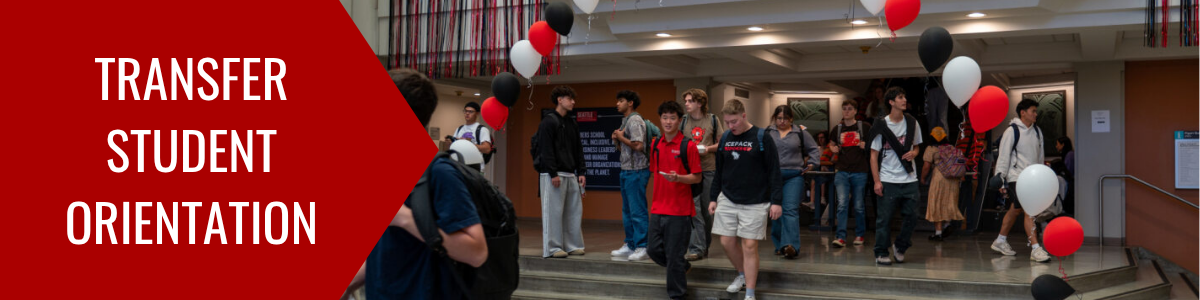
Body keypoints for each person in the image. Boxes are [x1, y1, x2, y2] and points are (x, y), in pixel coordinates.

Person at [342, 68, 488, 300]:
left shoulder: (439, 173)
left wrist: (406, 219)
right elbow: (390, 250)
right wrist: (351, 283)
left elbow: (477, 251)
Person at [709, 99, 783, 300]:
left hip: (756, 200)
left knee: (749, 246)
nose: (731, 126)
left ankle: (750, 293)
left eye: (734, 121)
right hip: (728, 197)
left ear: (743, 116)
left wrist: (776, 201)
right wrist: (713, 198)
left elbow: (774, 171)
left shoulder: (762, 137)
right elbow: (720, 171)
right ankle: (741, 274)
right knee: (726, 241)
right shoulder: (725, 138)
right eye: (727, 122)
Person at [646, 100, 703, 300]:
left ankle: (677, 295)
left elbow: (697, 177)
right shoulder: (655, 144)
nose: (668, 122)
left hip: (680, 211)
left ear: (680, 120)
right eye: (664, 117)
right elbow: (655, 172)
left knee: (674, 256)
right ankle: (682, 267)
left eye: (672, 118)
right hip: (658, 207)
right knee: (652, 249)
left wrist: (678, 178)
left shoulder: (689, 146)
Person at [867, 87, 923, 266]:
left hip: (909, 178)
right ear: (891, 102)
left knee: (913, 216)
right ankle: (881, 252)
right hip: (887, 179)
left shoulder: (912, 122)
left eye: (904, 96)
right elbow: (873, 155)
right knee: (884, 219)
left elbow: (917, 146)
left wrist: (914, 153)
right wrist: (876, 181)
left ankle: (900, 245)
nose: (904, 100)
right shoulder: (881, 125)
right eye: (900, 97)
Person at [991, 99, 1051, 263]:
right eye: (1033, 110)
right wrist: (1000, 177)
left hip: (1032, 178)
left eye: (1035, 111)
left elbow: (1040, 157)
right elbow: (1003, 155)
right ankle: (1035, 248)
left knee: (1015, 209)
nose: (1035, 114)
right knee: (1029, 210)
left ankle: (1000, 241)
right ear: (1023, 112)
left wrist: (1041, 176)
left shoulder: (1037, 132)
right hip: (1016, 177)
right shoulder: (1012, 131)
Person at [534, 85, 588, 259]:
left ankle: (573, 245)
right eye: (569, 98)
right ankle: (553, 247)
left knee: (573, 211)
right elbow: (545, 149)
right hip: (553, 174)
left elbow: (578, 149)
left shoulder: (571, 123)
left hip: (570, 173)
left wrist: (581, 171)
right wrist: (552, 173)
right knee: (554, 212)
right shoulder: (548, 121)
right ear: (560, 100)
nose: (573, 102)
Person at [766, 105, 819, 259]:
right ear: (775, 118)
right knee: (776, 212)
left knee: (790, 210)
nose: (782, 121)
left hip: (794, 175)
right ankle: (779, 245)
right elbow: (760, 151)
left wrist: (812, 164)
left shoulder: (800, 132)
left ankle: (791, 246)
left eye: (785, 118)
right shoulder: (768, 132)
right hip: (773, 176)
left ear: (791, 119)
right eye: (779, 118)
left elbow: (814, 149)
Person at [680, 88, 726, 261]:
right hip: (690, 170)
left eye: (690, 101)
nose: (686, 104)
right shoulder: (683, 121)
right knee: (694, 209)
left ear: (700, 103)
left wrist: (708, 149)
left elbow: (721, 144)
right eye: (686, 101)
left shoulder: (712, 120)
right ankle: (696, 247)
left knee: (708, 211)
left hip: (708, 169)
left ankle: (703, 245)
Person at [610, 90, 651, 261]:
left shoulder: (634, 120)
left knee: (637, 210)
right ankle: (631, 244)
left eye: (621, 101)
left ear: (631, 103)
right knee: (627, 211)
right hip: (626, 170)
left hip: (637, 171)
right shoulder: (625, 121)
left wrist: (620, 136)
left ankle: (643, 246)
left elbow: (639, 146)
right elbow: (627, 148)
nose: (617, 104)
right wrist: (617, 140)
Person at [830, 99, 872, 248]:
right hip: (842, 170)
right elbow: (832, 143)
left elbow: (874, 145)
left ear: (855, 111)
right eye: (844, 109)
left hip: (860, 171)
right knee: (842, 204)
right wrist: (833, 148)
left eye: (849, 109)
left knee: (859, 205)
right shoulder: (838, 128)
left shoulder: (864, 127)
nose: (846, 111)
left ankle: (860, 235)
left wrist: (865, 146)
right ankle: (841, 237)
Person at [920, 142, 966, 241]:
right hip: (953, 180)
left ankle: (938, 233)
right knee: (949, 202)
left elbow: (926, 166)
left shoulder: (931, 148)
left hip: (939, 178)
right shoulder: (952, 148)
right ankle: (947, 224)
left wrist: (922, 178)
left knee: (936, 203)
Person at [445, 102, 493, 172]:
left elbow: (487, 149)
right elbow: (453, 148)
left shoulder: (482, 129)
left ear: (477, 113)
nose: (467, 113)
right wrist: (450, 143)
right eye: (465, 111)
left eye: (470, 111)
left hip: (475, 169)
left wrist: (469, 144)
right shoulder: (459, 129)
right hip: (458, 167)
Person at [1056, 137, 1075, 215]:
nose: (1056, 146)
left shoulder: (1069, 155)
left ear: (1062, 145)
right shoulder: (1070, 154)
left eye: (1057, 144)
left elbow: (1068, 171)